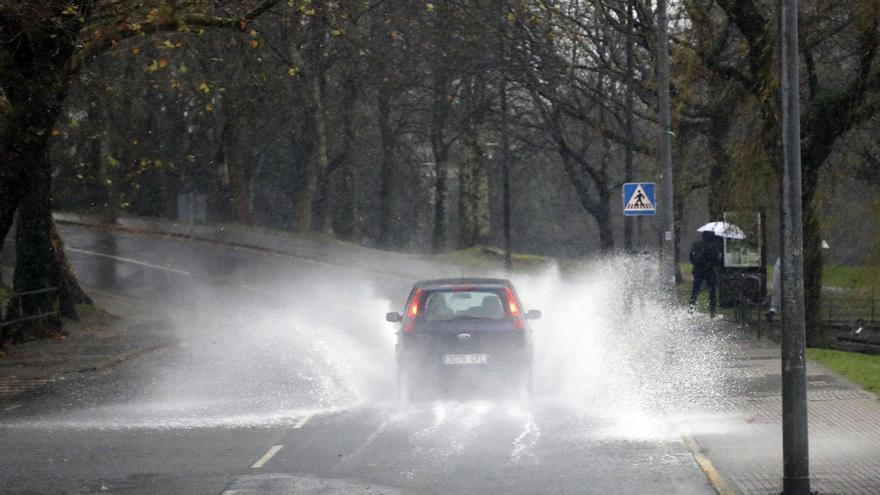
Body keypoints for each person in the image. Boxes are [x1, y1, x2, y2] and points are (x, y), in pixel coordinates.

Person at [689, 231, 723, 316]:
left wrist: (696, 265)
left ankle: (691, 310)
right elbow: (716, 260)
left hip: (698, 271)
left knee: (695, 292)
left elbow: (691, 257)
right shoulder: (713, 246)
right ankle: (712, 312)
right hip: (710, 272)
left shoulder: (696, 244)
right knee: (712, 293)